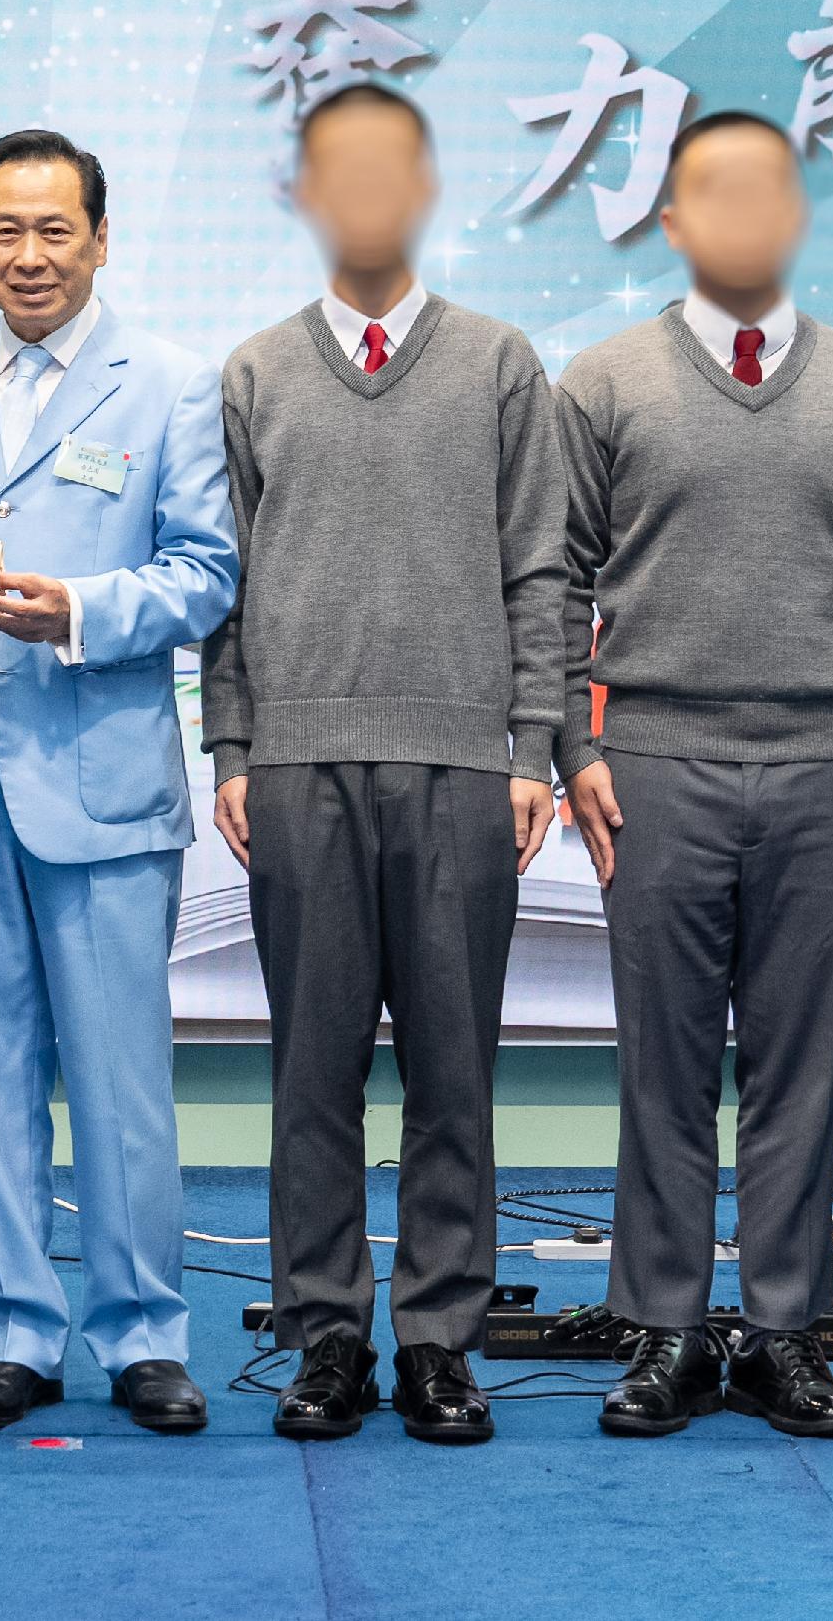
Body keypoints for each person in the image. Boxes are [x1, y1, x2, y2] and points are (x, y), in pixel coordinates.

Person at [555, 110, 833, 1442]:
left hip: (828, 763)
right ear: (669, 222)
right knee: (662, 1066)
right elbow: (548, 583)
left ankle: (783, 1334)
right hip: (655, 759)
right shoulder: (603, 384)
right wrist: (576, 745)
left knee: (797, 1067)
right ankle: (663, 1329)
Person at [202, 80, 564, 1447]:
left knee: (454, 1072)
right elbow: (223, 584)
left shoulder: (499, 365)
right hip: (299, 767)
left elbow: (543, 568)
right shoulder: (255, 373)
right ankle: (328, 1337)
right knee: (313, 1071)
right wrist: (231, 742)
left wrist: (532, 743)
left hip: (465, 769)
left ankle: (440, 1341)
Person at [0, 129, 238, 1438]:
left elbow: (207, 576)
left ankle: (144, 1337)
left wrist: (76, 609)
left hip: (102, 773)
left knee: (120, 1076)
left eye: (54, 231)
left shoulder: (173, 387)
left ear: (98, 238)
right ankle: (14, 1332)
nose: (29, 256)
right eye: (5, 231)